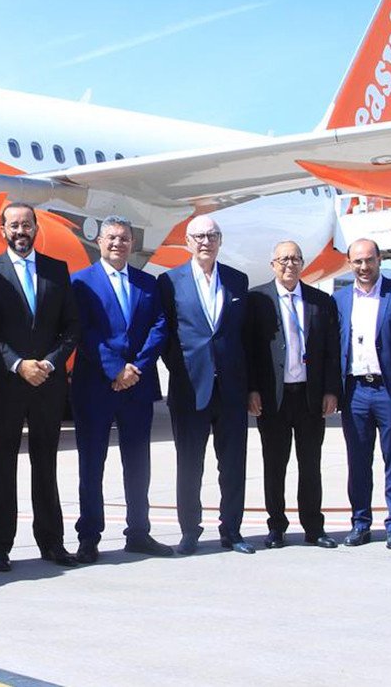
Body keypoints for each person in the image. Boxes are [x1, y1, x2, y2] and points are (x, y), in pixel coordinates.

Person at [0, 202, 81, 571]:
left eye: (27, 225)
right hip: (7, 383)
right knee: (2, 465)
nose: (21, 232)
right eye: (14, 225)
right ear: (2, 229)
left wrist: (49, 362)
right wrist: (19, 364)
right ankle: (0, 544)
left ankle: (51, 541)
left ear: (36, 228)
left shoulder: (56, 270)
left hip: (48, 383)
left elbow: (71, 327)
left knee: (45, 463)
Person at [69, 216, 172, 563]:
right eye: (112, 237)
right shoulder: (81, 282)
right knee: (92, 463)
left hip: (137, 387)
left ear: (132, 243)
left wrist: (137, 369)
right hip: (96, 386)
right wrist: (115, 368)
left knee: (138, 462)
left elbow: (159, 327)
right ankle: (89, 536)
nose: (118, 243)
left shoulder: (147, 282)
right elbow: (84, 333)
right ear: (99, 241)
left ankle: (139, 533)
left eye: (125, 238)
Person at [158, 216, 253, 555]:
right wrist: (182, 370)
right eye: (198, 236)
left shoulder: (238, 281)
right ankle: (190, 532)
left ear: (220, 240)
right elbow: (165, 334)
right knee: (189, 465)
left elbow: (246, 338)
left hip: (231, 389)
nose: (205, 242)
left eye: (212, 235)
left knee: (232, 465)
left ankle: (232, 531)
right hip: (189, 389)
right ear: (187, 241)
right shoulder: (169, 282)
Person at [246, 241, 342, 550]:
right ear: (272, 264)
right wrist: (252, 389)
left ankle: (314, 527)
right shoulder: (257, 300)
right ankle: (276, 527)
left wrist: (331, 391)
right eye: (284, 259)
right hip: (274, 398)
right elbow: (249, 351)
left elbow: (331, 352)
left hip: (310, 397)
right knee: (274, 465)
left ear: (303, 264)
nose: (290, 264)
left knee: (310, 465)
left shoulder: (320, 301)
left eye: (296, 259)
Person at [334, 239, 391, 550]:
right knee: (357, 460)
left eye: (369, 260)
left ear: (380, 259)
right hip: (354, 390)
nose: (364, 267)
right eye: (357, 262)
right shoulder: (341, 298)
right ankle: (360, 523)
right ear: (349, 263)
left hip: (390, 390)